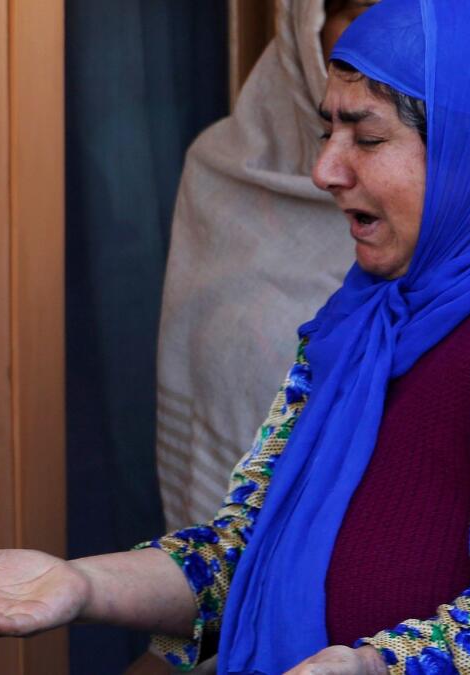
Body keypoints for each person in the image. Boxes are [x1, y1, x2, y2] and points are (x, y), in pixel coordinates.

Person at [0, 0, 470, 672]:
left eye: (367, 138)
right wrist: (83, 585)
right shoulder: (361, 317)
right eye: (327, 132)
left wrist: (373, 665)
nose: (326, 170)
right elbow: (251, 548)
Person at [156, 0, 375, 531]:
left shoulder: (463, 197)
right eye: (363, 11)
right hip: (239, 549)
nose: (383, 39)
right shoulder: (222, 170)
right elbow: (202, 382)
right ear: (308, 26)